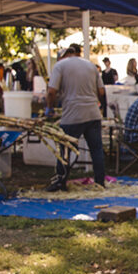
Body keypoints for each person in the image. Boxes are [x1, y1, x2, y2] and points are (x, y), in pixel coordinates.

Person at [45, 44, 106, 191]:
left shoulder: (60, 66)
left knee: (65, 148)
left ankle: (61, 181)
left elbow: (51, 91)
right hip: (92, 112)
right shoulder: (91, 65)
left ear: (63, 56)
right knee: (96, 149)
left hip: (73, 114)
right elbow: (102, 91)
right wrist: (101, 108)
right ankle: (100, 182)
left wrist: (49, 108)